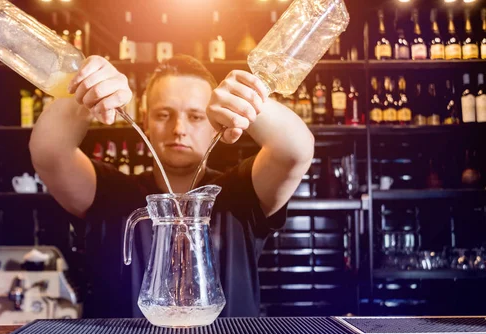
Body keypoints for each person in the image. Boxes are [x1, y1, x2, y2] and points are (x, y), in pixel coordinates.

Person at [30, 55, 314, 318]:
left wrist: (250, 104)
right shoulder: (110, 193)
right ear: (146, 121)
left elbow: (294, 151)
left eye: (196, 116)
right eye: (164, 114)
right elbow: (49, 152)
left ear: (217, 123)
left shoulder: (241, 192)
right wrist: (84, 95)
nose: (179, 128)